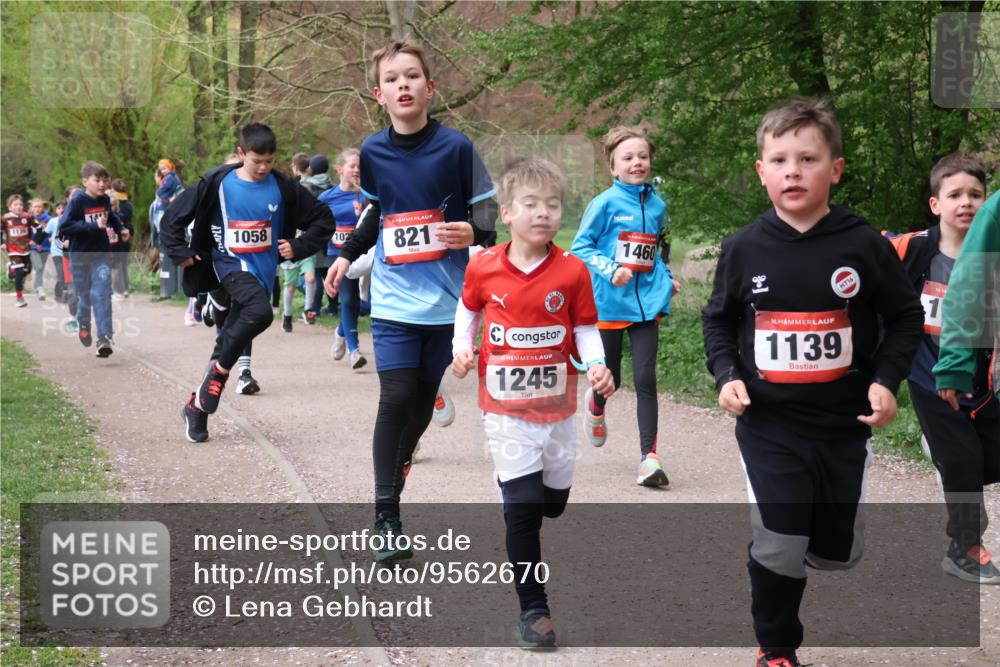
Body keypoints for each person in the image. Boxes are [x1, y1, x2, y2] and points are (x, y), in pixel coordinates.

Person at [701, 98, 924, 667]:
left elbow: (904, 317)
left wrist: (886, 380)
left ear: (836, 169)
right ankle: (777, 647)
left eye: (808, 158)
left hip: (843, 423)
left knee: (835, 552)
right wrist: (726, 374)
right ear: (761, 172)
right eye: (779, 159)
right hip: (769, 422)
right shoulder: (744, 247)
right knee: (779, 540)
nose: (793, 170)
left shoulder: (862, 244)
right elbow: (719, 319)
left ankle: (806, 548)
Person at [324, 39, 497, 560]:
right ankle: (385, 516)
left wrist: (473, 233)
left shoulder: (458, 148)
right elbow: (375, 214)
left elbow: (487, 219)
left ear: (430, 87)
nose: (404, 84)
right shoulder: (373, 152)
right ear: (379, 94)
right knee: (395, 398)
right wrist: (345, 255)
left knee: (422, 404)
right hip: (396, 300)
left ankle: (393, 486)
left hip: (448, 304)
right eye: (393, 79)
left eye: (413, 76)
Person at [452, 157, 613, 649]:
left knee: (554, 504)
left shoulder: (572, 271)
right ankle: (534, 610)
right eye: (531, 204)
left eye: (552, 205)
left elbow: (584, 327)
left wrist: (597, 364)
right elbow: (468, 309)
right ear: (506, 212)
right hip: (503, 409)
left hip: (557, 407)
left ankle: (528, 481)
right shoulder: (483, 266)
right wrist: (462, 346)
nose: (542, 213)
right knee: (521, 509)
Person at [161, 123, 335, 443]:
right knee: (261, 311)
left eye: (269, 161)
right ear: (241, 154)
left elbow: (324, 219)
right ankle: (220, 374)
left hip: (263, 270)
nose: (263, 168)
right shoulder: (217, 182)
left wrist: (299, 246)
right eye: (257, 161)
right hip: (227, 264)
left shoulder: (283, 187)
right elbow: (173, 217)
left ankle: (196, 408)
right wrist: (179, 252)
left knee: (229, 335)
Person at [571, 126, 681, 486]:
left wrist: (666, 279)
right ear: (613, 167)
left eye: (643, 157)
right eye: (628, 158)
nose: (637, 163)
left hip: (646, 305)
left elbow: (656, 250)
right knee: (611, 380)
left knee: (646, 378)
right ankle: (596, 406)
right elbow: (581, 248)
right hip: (609, 305)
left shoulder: (658, 204)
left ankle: (649, 458)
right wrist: (610, 269)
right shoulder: (603, 204)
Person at [926, 178, 1000, 583]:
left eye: (974, 194)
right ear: (935, 203)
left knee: (976, 458)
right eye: (955, 195)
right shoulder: (916, 251)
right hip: (930, 372)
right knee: (962, 459)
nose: (966, 203)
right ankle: (965, 545)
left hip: (983, 371)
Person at [59, 161, 129, 357]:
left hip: (101, 255)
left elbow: (111, 217)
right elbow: (64, 227)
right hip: (80, 257)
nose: (102, 184)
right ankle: (83, 321)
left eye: (104, 181)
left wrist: (120, 228)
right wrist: (92, 226)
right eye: (97, 180)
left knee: (101, 294)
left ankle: (104, 338)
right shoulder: (77, 202)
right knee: (86, 297)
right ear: (85, 181)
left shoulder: (105, 199)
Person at [319, 148, 368, 369]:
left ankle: (341, 331)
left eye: (359, 166)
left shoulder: (368, 196)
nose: (357, 170)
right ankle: (354, 351)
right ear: (339, 169)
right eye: (352, 166)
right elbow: (317, 228)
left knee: (363, 302)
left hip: (364, 256)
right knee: (348, 299)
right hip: (337, 256)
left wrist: (362, 216)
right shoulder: (326, 198)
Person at [1, 195, 36, 307]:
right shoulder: (5, 218)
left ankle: (11, 269)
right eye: (15, 204)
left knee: (27, 271)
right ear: (9, 207)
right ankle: (19, 298)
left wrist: (36, 241)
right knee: (20, 272)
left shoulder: (28, 217)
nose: (18, 207)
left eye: (20, 204)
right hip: (12, 248)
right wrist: (1, 243)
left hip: (26, 248)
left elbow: (39, 227)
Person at [109, 179, 135, 299]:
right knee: (123, 263)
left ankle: (117, 288)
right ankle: (125, 287)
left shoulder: (113, 202)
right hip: (127, 234)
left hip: (116, 236)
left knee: (115, 263)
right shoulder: (128, 203)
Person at [46, 199, 68, 304]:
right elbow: (45, 233)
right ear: (56, 210)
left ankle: (61, 292)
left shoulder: (70, 220)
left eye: (64, 208)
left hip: (68, 252)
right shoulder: (52, 221)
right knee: (61, 272)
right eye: (59, 208)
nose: (61, 210)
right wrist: (48, 239)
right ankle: (61, 294)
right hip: (56, 251)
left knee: (66, 273)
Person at [28, 199, 51, 300]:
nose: (37, 209)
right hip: (32, 247)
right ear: (31, 208)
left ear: (43, 208)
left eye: (39, 207)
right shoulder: (28, 219)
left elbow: (53, 230)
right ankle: (40, 288)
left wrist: (52, 238)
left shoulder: (48, 219)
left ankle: (37, 287)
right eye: (35, 206)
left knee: (39, 268)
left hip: (45, 247)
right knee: (39, 267)